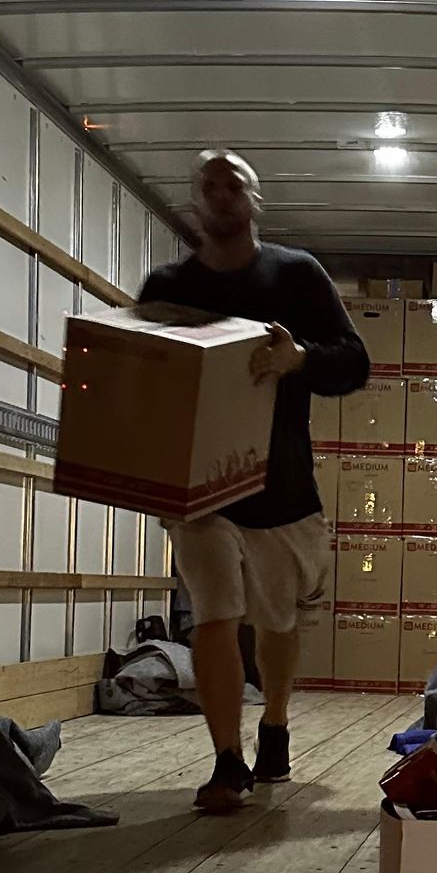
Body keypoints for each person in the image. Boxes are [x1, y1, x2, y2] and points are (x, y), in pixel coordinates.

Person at [139, 150, 370, 810]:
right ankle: (225, 760)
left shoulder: (296, 277)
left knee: (276, 624)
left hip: (283, 487)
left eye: (232, 183)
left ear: (254, 198)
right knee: (217, 614)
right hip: (201, 491)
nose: (220, 193)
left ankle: (274, 721)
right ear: (195, 201)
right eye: (207, 184)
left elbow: (353, 363)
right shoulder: (167, 287)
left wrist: (300, 359)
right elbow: (141, 386)